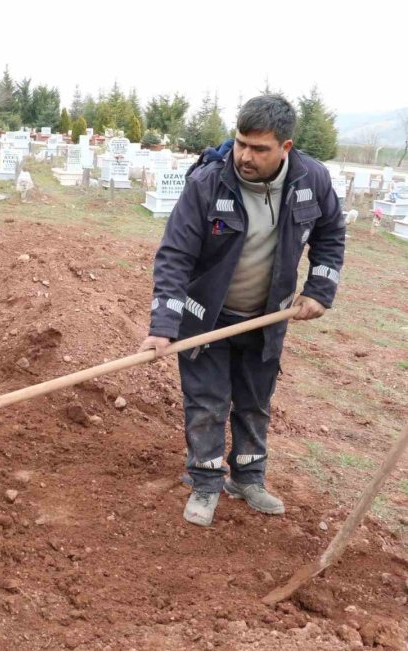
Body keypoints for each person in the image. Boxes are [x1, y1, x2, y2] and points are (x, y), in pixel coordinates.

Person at [139, 94, 345, 527]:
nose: (245, 156)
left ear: (285, 148)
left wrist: (320, 289)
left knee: (255, 401)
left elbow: (330, 234)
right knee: (207, 402)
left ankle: (248, 478)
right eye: (240, 144)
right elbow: (174, 256)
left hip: (266, 318)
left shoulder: (313, 180)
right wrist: (163, 325)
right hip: (206, 317)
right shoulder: (208, 183)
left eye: (259, 148)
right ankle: (207, 482)